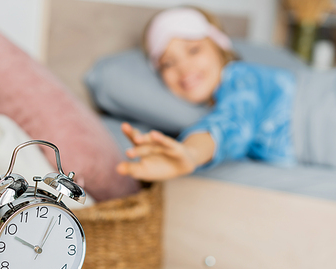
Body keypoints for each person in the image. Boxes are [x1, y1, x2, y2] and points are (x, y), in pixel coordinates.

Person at [115, 7, 305, 181]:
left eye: (194, 50)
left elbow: (230, 123)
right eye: (168, 63)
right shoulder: (216, 101)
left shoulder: (241, 78)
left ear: (220, 46)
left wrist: (191, 153)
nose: (184, 67)